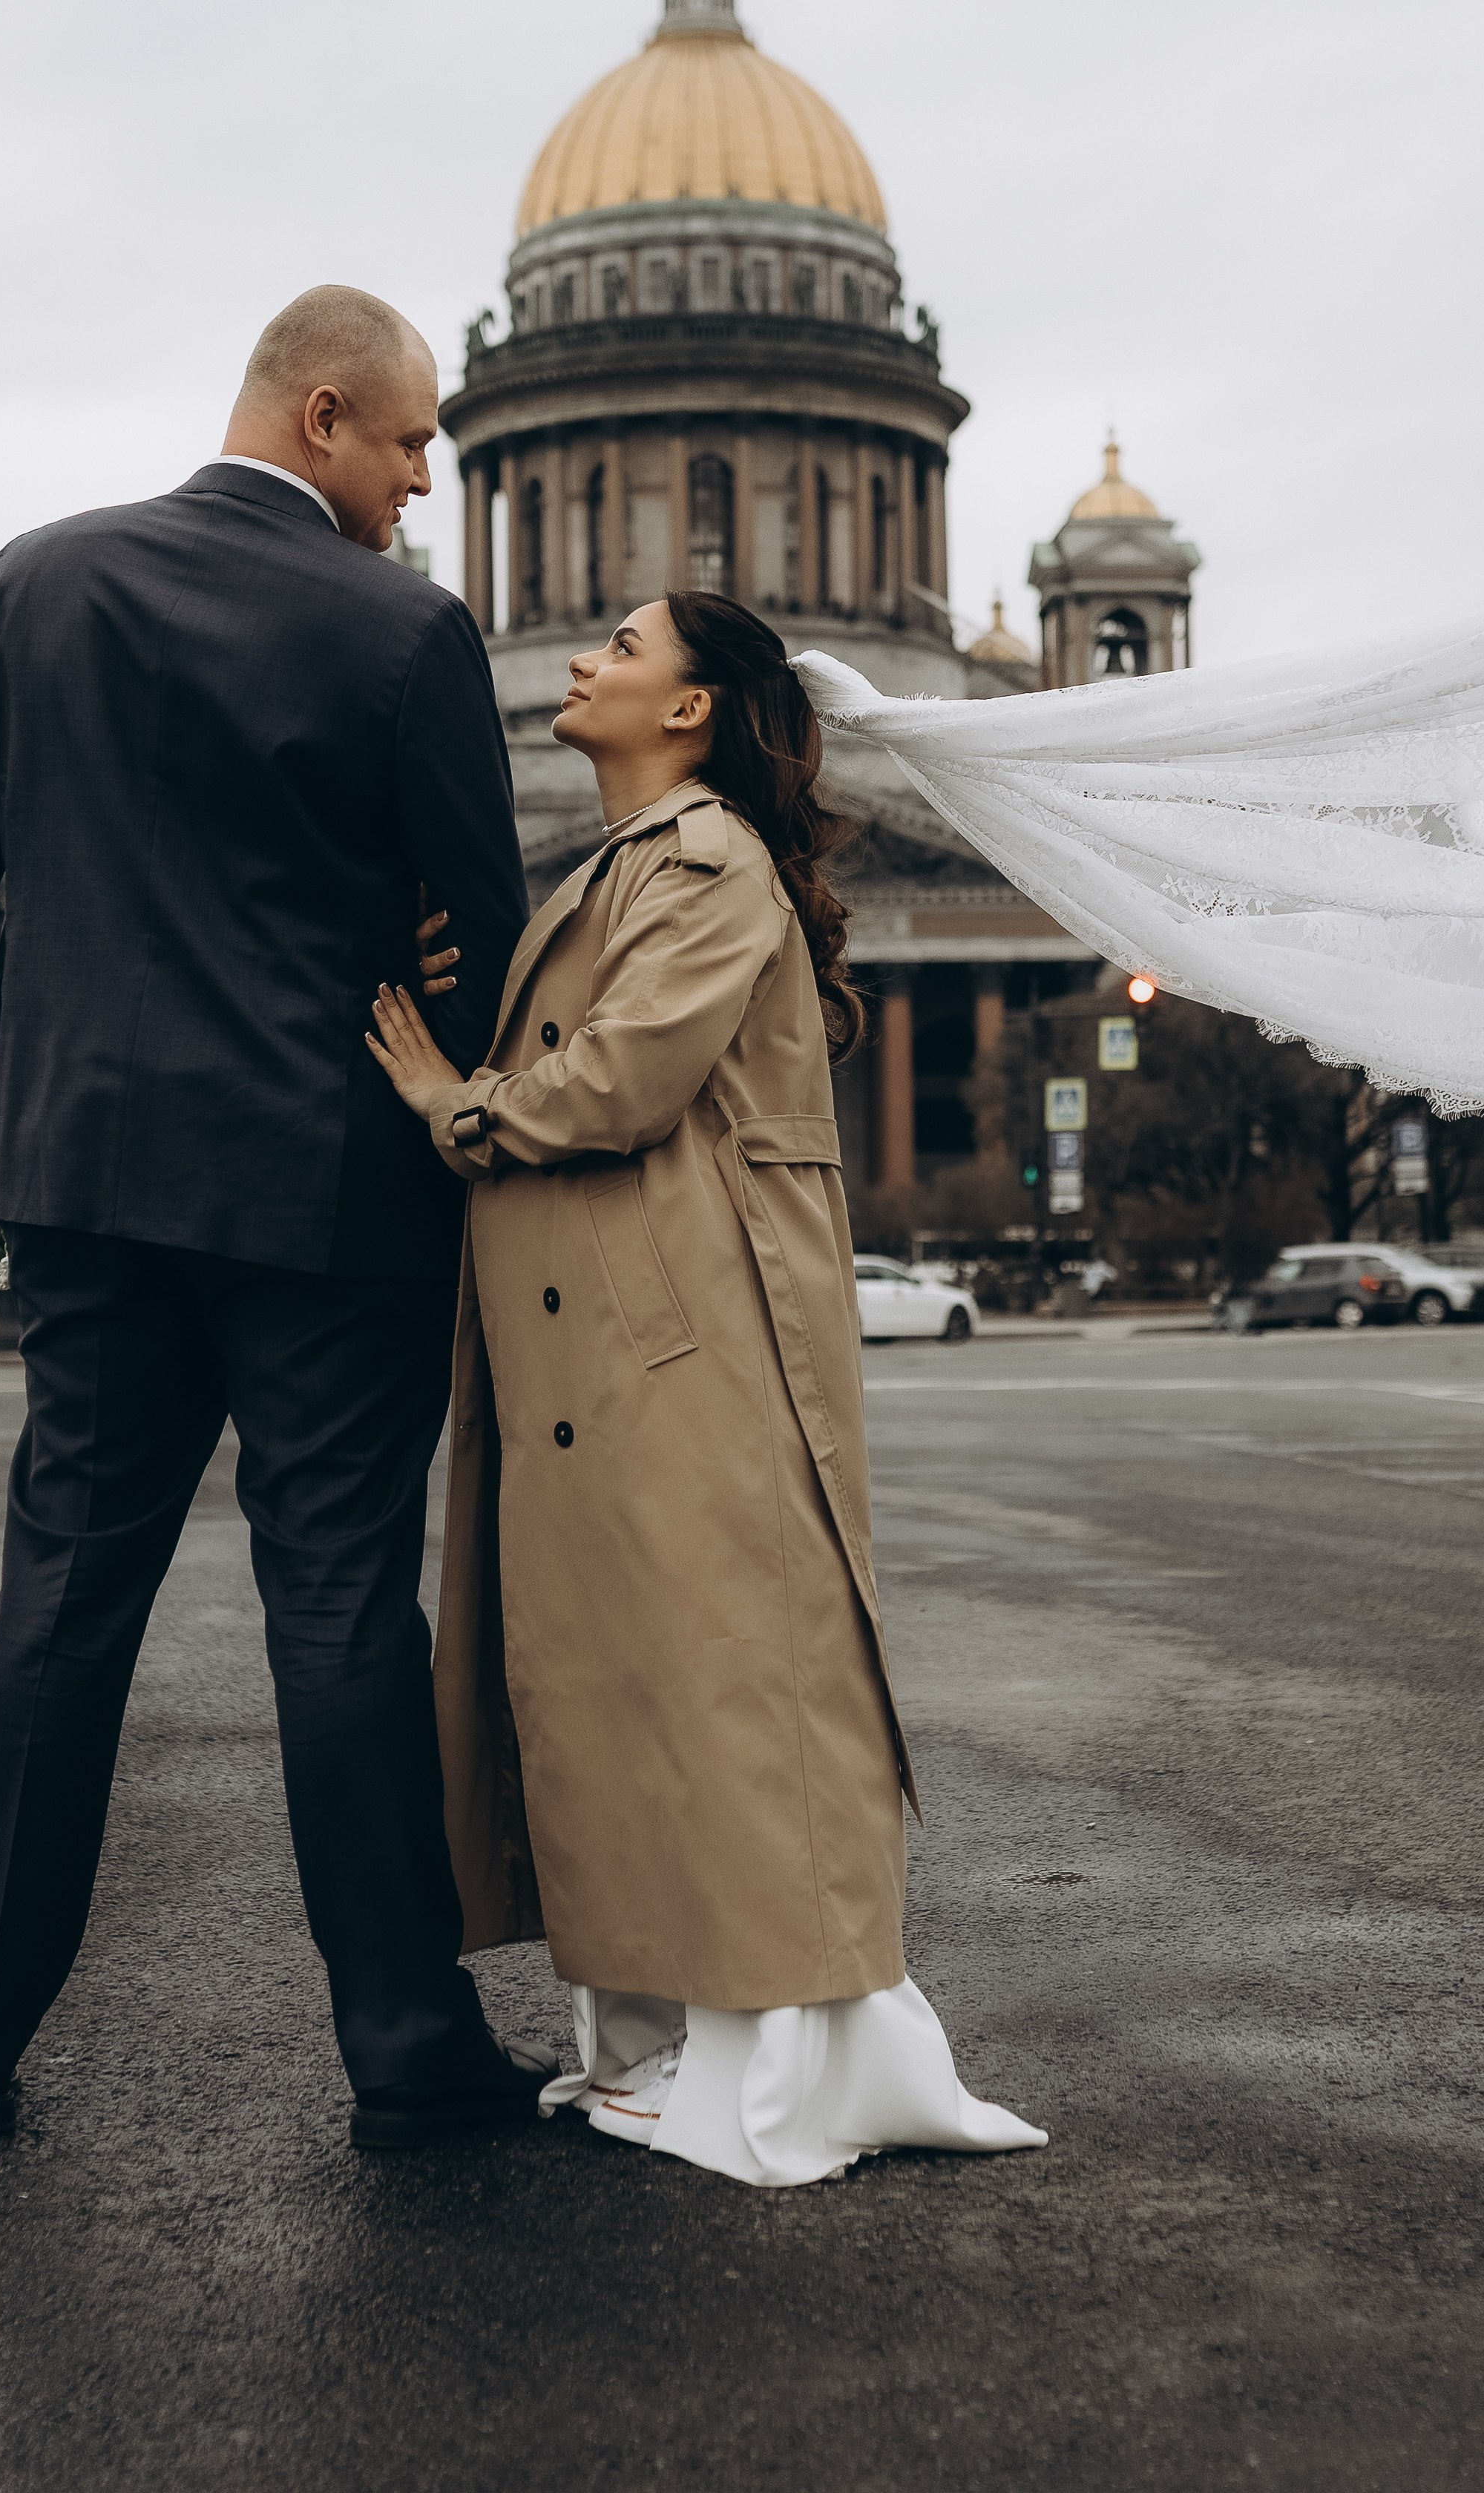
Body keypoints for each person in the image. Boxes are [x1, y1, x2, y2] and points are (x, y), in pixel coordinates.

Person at [0, 285, 557, 2146]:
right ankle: (409, 2058)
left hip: (92, 1187)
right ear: (323, 416)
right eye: (413, 440)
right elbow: (487, 930)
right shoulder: (403, 630)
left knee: (64, 1599)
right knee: (340, 1615)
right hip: (333, 1196)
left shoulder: (37, 581)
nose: (430, 476)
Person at [366, 591, 1048, 2187]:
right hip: (608, 1345)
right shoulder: (631, 858)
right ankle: (671, 2043)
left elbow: (620, 1081)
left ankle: (764, 2056)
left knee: (728, 1688)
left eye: (621, 645)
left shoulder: (703, 858)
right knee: (628, 1693)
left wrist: (449, 1103)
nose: (582, 660)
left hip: (673, 1346)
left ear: (688, 709)